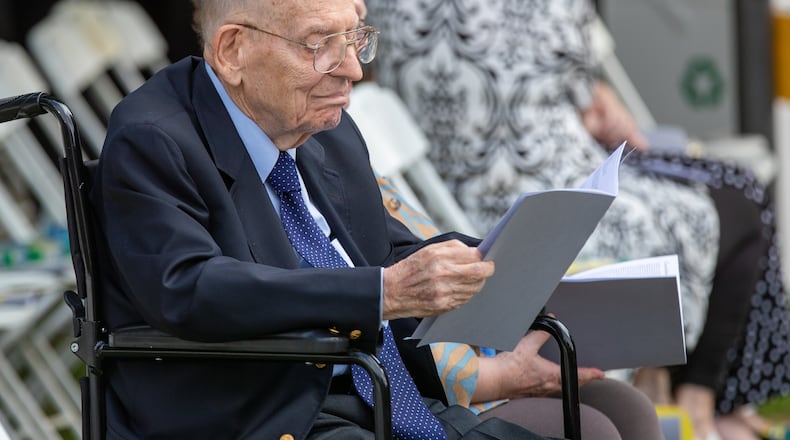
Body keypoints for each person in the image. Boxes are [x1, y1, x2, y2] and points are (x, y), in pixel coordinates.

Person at [88, 0, 665, 438]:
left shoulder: (324, 129)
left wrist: (515, 259)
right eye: (320, 44)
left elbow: (391, 253)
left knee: (621, 408)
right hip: (271, 410)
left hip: (383, 392)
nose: (352, 71)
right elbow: (188, 287)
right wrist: (384, 292)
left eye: (356, 37)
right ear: (233, 50)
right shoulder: (154, 137)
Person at [365, 1, 790, 439]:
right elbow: (593, 110)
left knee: (728, 194)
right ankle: (702, 403)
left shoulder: (384, 9)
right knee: (738, 200)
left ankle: (696, 402)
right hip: (555, 200)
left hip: (457, 199)